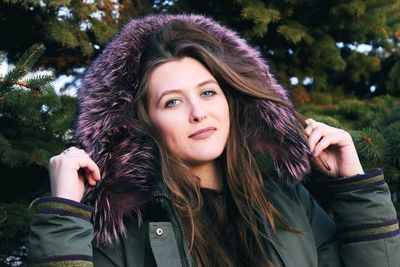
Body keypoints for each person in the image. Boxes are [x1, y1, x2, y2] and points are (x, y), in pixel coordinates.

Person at [28, 14, 400, 267]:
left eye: (208, 93)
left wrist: (356, 188)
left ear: (229, 99)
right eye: (172, 101)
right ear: (143, 121)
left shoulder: (289, 203)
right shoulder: (124, 231)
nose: (198, 113)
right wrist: (63, 211)